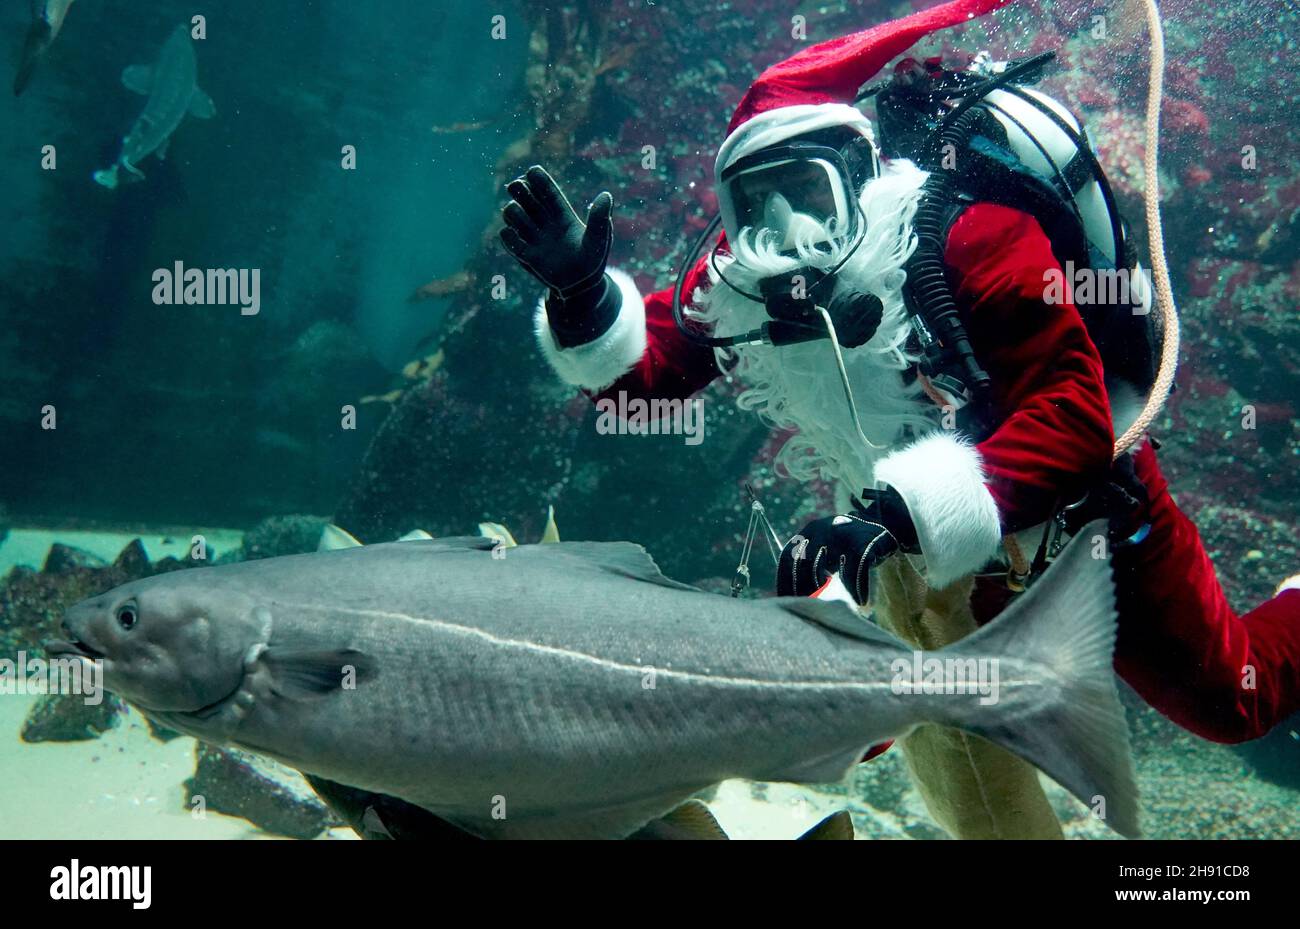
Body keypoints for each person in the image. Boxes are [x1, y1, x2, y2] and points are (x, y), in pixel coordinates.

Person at [500, 0, 1300, 747]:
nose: (786, 232)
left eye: (806, 192)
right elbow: (652, 374)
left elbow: (1072, 413)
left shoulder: (971, 239)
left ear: (857, 168)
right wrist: (580, 298)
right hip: (910, 534)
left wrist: (890, 518)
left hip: (1078, 513)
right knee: (855, 728)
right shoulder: (746, 278)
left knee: (1233, 699)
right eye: (756, 205)